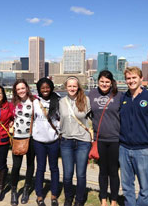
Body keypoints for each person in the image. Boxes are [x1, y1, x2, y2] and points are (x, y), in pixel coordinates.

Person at [119, 66, 148, 206]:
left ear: (141, 79)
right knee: (127, 187)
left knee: (145, 188)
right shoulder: (123, 98)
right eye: (128, 78)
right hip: (124, 149)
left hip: (144, 151)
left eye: (134, 78)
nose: (131, 81)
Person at [89, 70, 123, 206]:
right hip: (99, 140)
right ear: (98, 81)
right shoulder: (91, 94)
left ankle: (113, 200)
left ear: (111, 82)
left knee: (114, 172)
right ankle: (103, 199)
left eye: (107, 82)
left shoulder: (119, 95)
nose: (104, 84)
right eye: (102, 81)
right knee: (103, 171)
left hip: (115, 139)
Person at [59, 77, 92, 206]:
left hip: (83, 141)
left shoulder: (85, 100)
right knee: (67, 175)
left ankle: (79, 200)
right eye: (69, 86)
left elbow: (90, 119)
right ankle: (68, 198)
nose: (72, 88)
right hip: (66, 140)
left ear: (78, 87)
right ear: (66, 87)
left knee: (81, 174)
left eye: (74, 86)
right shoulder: (61, 102)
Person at [33, 77, 62, 206]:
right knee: (40, 168)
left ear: (51, 87)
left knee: (54, 168)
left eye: (47, 87)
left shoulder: (58, 100)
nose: (45, 90)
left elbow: (61, 118)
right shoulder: (35, 102)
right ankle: (39, 195)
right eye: (42, 88)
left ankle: (54, 195)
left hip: (53, 140)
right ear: (39, 89)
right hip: (39, 141)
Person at [10, 79, 37, 205]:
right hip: (17, 137)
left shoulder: (35, 100)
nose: (21, 91)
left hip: (31, 138)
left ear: (27, 88)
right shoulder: (13, 103)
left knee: (30, 165)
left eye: (23, 88)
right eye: (18, 89)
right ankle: (14, 191)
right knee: (16, 166)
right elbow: (10, 117)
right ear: (15, 91)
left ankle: (26, 189)